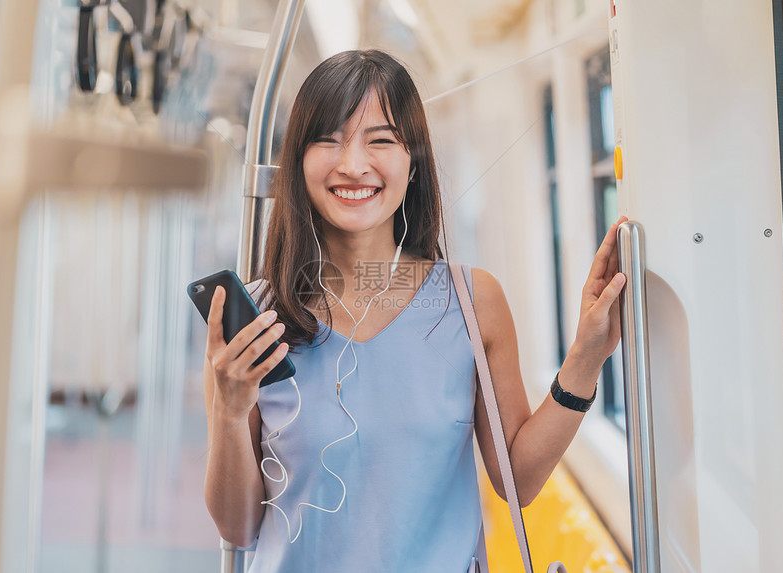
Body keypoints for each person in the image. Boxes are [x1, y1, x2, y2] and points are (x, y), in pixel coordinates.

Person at [202, 49, 627, 572]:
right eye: (328, 139)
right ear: (298, 160)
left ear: (413, 160)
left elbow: (515, 483)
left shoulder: (473, 303)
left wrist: (585, 360)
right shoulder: (254, 320)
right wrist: (228, 409)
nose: (353, 164)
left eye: (380, 140)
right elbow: (238, 527)